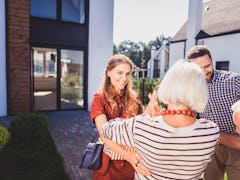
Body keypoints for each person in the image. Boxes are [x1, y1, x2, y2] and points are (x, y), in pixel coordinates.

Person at [102, 59, 220, 180]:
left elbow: (106, 129)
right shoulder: (211, 132)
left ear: (167, 86)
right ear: (199, 92)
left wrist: (148, 118)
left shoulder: (141, 126)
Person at [90, 54, 150, 180]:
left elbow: (143, 126)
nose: (124, 78)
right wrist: (128, 155)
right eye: (120, 72)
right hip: (108, 167)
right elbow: (103, 133)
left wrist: (151, 111)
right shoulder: (99, 98)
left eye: (127, 74)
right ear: (108, 72)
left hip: (130, 168)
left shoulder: (134, 98)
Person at [187, 45, 240, 180]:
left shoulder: (233, 80)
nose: (204, 71)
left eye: (207, 66)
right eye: (198, 69)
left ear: (212, 61)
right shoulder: (190, 88)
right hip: (209, 146)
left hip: (235, 145)